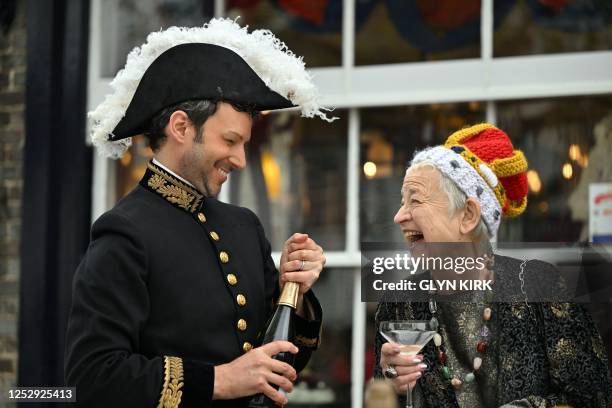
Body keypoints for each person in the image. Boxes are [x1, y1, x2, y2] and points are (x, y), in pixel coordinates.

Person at [65, 19, 333, 408]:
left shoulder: (244, 226)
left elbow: (281, 364)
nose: (240, 159)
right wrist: (219, 380)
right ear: (180, 127)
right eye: (230, 140)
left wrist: (296, 291)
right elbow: (92, 377)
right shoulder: (124, 232)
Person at [374, 123, 612, 407]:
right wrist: (392, 386)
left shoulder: (538, 287)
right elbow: (385, 391)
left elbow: (595, 397)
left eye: (415, 201)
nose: (399, 216)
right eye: (402, 202)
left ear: (468, 215)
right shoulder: (401, 301)